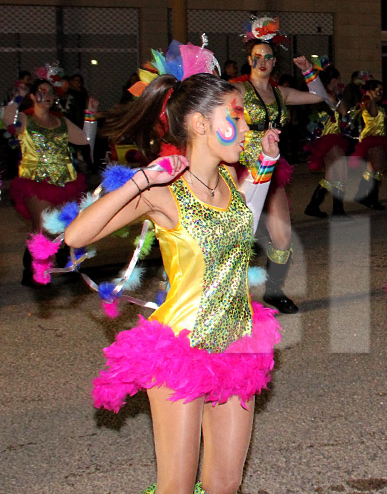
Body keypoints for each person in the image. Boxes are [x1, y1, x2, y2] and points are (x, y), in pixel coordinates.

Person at [66, 69, 282, 494]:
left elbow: (243, 231)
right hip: (180, 352)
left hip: (236, 344)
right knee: (177, 487)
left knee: (226, 483)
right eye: (235, 118)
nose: (246, 128)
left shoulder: (228, 182)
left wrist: (267, 165)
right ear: (201, 124)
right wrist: (143, 179)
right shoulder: (165, 191)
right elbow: (76, 236)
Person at [232, 16, 335, 314]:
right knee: (237, 235)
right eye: (257, 57)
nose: (262, 62)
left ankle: (274, 291)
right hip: (240, 169)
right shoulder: (237, 91)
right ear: (249, 59)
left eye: (268, 57)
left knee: (282, 235)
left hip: (271, 170)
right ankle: (229, 296)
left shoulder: (280, 93)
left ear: (275, 61)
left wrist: (308, 72)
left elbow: (320, 97)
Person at [4, 71, 90, 286]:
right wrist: (17, 97)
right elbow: (7, 121)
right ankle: (35, 270)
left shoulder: (61, 122)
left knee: (65, 227)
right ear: (32, 96)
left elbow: (84, 139)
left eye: (51, 92)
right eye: (42, 92)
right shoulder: (25, 119)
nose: (48, 95)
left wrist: (90, 114)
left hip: (65, 181)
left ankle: (66, 264)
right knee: (42, 227)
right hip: (36, 182)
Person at [304, 65, 355, 219]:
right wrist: (339, 97)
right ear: (332, 80)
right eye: (337, 79)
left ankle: (314, 205)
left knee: (332, 175)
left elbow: (343, 114)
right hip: (329, 139)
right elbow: (343, 112)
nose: (338, 82)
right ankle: (334, 209)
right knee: (341, 172)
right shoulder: (326, 95)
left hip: (330, 138)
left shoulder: (327, 95)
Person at [352, 79, 387, 210]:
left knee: (371, 169)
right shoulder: (369, 103)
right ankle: (372, 198)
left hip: (378, 137)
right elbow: (374, 114)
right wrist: (370, 97)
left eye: (382, 90)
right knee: (378, 169)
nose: (381, 92)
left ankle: (362, 194)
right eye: (377, 90)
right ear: (369, 91)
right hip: (373, 139)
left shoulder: (377, 103)